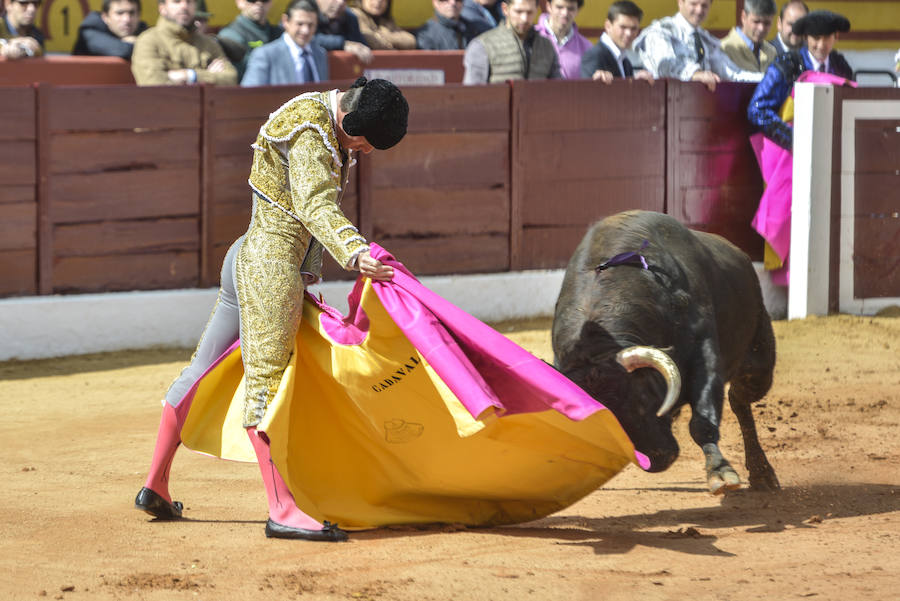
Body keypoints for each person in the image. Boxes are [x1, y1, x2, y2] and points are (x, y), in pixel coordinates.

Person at [134, 77, 409, 541]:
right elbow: (314, 205)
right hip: (269, 265)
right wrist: (354, 250)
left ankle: (155, 484)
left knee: (201, 370)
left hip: (250, 254)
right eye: (363, 142)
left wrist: (304, 276)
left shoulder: (314, 111)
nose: (364, 152)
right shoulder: (312, 133)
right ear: (349, 119)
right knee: (269, 382)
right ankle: (281, 508)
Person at [745, 10, 853, 286]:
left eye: (827, 38)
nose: (821, 45)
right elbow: (757, 110)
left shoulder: (840, 66)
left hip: (829, 156)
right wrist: (797, 141)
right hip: (788, 158)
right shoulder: (787, 63)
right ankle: (788, 283)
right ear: (806, 38)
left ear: (835, 37)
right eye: (815, 38)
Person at [633, 0, 763, 92]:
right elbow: (665, 65)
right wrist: (695, 74)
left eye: (704, 5)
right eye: (694, 4)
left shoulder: (705, 40)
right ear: (680, 2)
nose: (699, 10)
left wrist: (771, 77)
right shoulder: (661, 32)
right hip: (661, 109)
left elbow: (733, 74)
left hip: (695, 110)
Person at [131, 0, 238, 85]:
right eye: (177, 1)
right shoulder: (149, 41)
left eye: (189, 1)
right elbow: (154, 86)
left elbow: (231, 79)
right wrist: (210, 78)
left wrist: (191, 76)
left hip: (209, 110)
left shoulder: (208, 43)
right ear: (162, 8)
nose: (184, 6)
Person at [462, 0, 560, 84]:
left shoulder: (546, 45)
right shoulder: (483, 46)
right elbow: (472, 95)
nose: (524, 18)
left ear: (536, 10)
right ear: (505, 9)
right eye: (518, 12)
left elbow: (557, 89)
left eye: (529, 12)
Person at [242, 0, 328, 86]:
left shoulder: (320, 54)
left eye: (310, 25)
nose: (305, 30)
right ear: (285, 21)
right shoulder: (265, 55)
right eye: (300, 24)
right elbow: (249, 95)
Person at [580, 0, 653, 83]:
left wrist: (636, 82)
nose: (628, 33)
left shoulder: (624, 60)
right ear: (608, 26)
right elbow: (588, 93)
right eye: (623, 27)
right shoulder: (594, 56)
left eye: (634, 28)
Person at [218, 0, 283, 79]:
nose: (259, 3)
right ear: (239, 2)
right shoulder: (229, 34)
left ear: (271, 2)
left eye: (264, 0)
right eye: (252, 0)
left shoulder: (280, 33)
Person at [533, 0, 591, 80]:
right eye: (559, 7)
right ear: (549, 6)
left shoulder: (587, 47)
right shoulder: (530, 38)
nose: (565, 13)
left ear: (578, 10)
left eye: (571, 9)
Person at [72, 0, 148, 59]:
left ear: (139, 16)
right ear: (105, 17)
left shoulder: (143, 29)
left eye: (132, 13)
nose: (127, 19)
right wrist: (140, 42)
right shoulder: (91, 29)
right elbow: (123, 50)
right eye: (120, 13)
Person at [720, 0, 777, 72]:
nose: (761, 28)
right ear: (743, 17)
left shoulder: (772, 52)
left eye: (767, 23)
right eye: (756, 21)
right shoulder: (725, 49)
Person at [416, 0, 487, 50]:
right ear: (435, 2)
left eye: (458, 0)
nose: (453, 2)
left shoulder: (475, 28)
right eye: (445, 0)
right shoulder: (425, 34)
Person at [349, 0, 415, 50]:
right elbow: (370, 40)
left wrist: (381, 36)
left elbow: (411, 41)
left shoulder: (386, 20)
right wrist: (393, 46)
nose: (378, 2)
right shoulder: (354, 15)